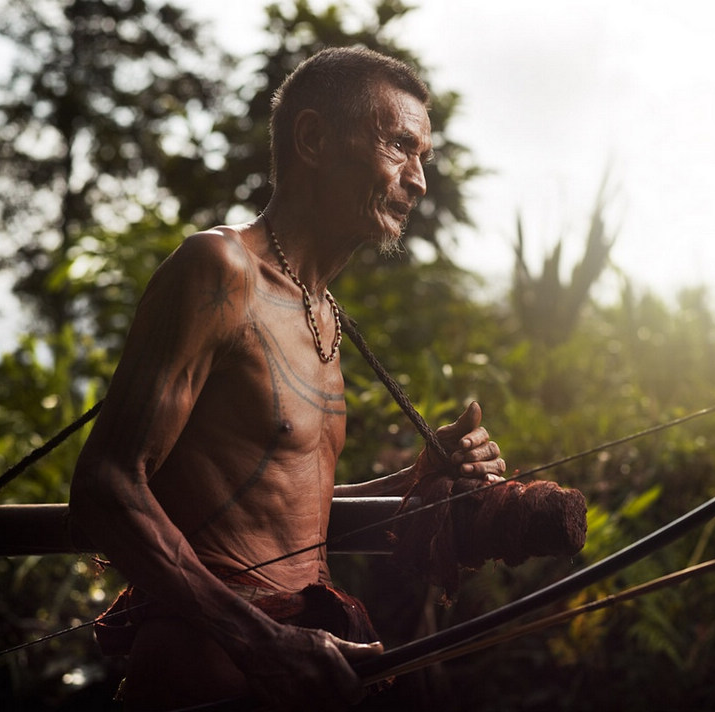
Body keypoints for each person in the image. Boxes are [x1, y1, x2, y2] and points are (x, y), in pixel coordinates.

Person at [69, 46, 507, 711]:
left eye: (423, 158)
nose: (418, 180)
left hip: (299, 671)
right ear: (312, 139)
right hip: (208, 674)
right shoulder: (220, 269)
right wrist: (258, 640)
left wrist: (419, 480)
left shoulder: (323, 312)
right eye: (399, 146)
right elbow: (105, 483)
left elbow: (285, 514)